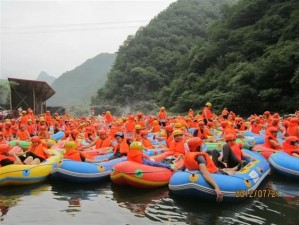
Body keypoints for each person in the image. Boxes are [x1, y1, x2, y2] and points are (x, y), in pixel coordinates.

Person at [183, 137, 225, 202]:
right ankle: (236, 168)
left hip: (199, 173)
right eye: (201, 145)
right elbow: (204, 172)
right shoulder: (200, 157)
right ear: (198, 147)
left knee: (226, 169)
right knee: (230, 172)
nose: (202, 147)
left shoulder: (188, 154)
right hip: (214, 174)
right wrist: (216, 187)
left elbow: (183, 167)